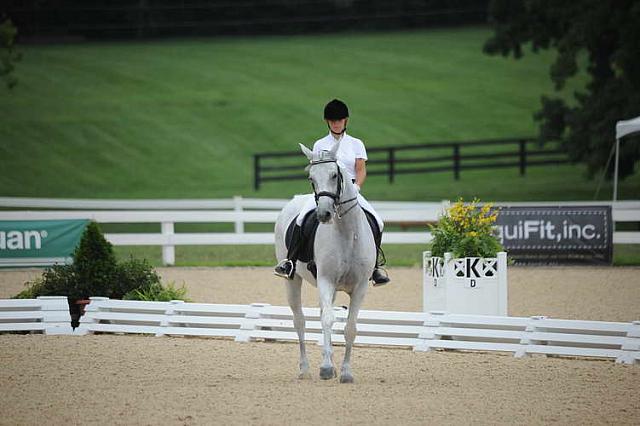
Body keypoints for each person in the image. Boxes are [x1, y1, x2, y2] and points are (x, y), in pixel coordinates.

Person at [274, 99, 390, 286]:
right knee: (301, 218)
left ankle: (375, 268)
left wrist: (357, 187)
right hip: (326, 193)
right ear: (328, 122)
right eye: (333, 121)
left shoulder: (356, 144)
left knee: (378, 221)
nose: (336, 124)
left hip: (351, 192)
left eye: (339, 120)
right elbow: (318, 171)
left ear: (346, 121)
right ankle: (290, 261)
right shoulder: (320, 144)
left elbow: (360, 169)